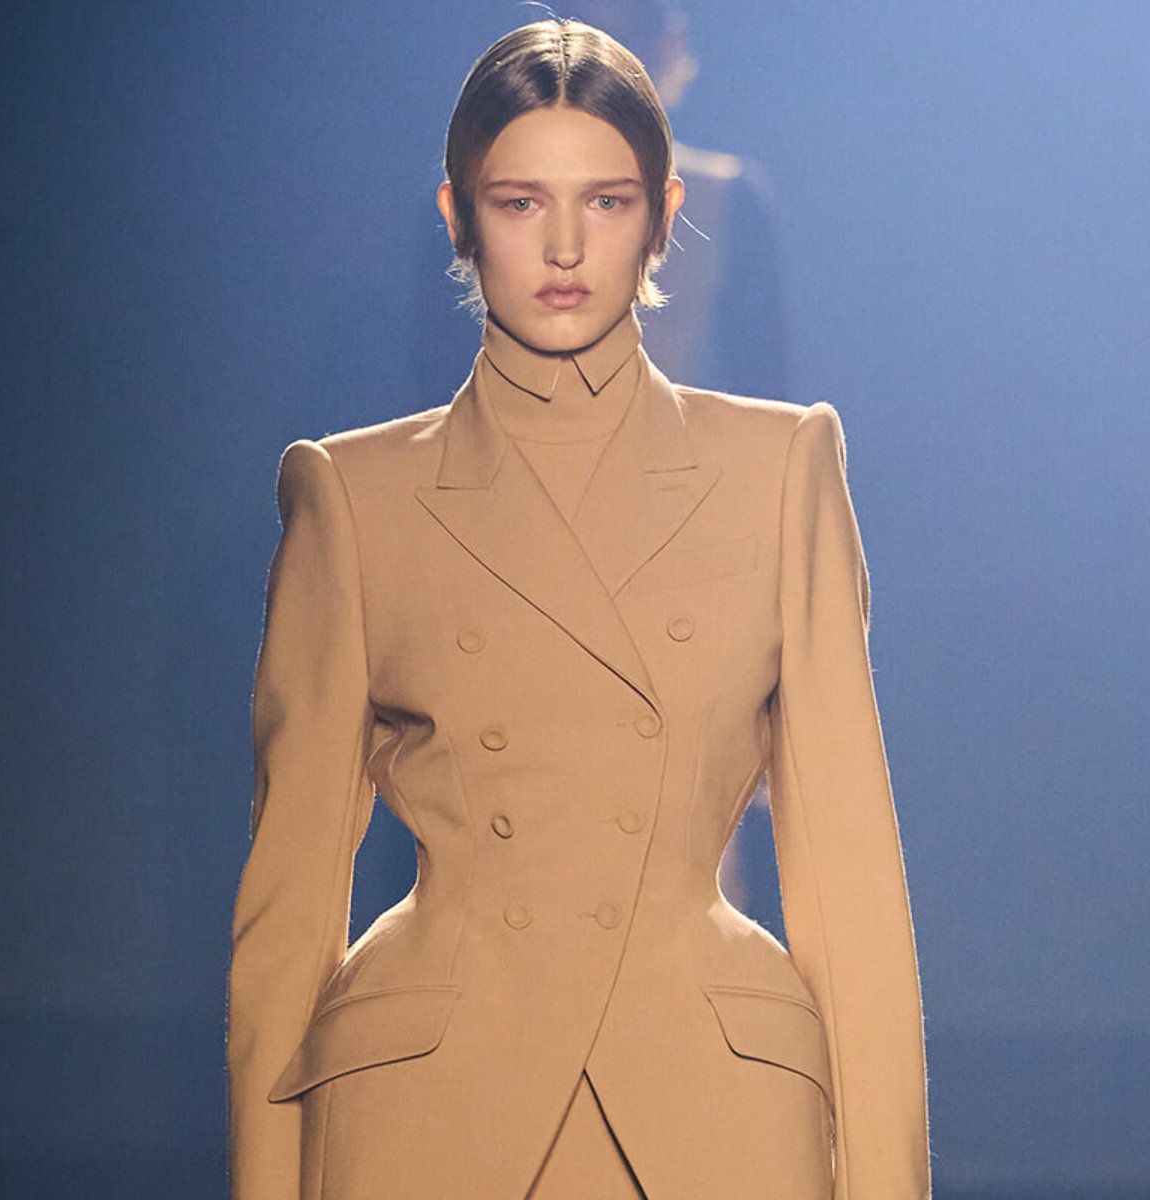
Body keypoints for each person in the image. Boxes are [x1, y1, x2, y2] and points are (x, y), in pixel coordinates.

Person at [227, 19, 930, 1200]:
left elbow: (852, 889)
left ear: (663, 216)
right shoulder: (353, 497)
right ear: (458, 218)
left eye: (605, 202)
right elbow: (285, 918)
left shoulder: (780, 472)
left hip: (713, 1103)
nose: (563, 246)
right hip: (426, 1108)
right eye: (519, 203)